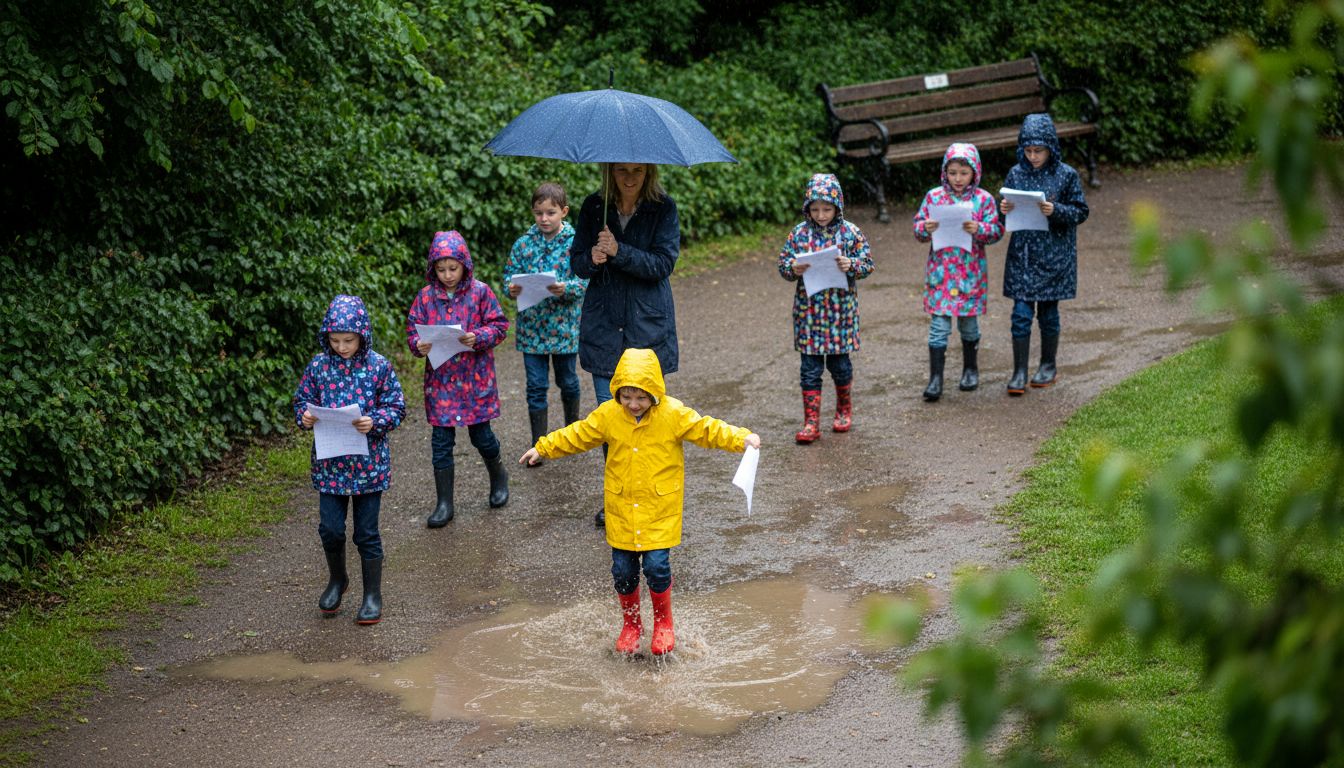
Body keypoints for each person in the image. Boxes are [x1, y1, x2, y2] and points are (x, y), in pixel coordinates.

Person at [519, 348, 761, 657]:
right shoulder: (609, 414)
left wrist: (741, 438)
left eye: (641, 398)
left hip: (659, 509)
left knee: (657, 566)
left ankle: (663, 622)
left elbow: (706, 429)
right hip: (621, 508)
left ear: (655, 394)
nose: (634, 404)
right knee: (622, 570)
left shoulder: (673, 414)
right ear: (618, 392)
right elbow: (578, 433)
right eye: (627, 397)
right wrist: (544, 447)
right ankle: (632, 624)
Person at [569, 162, 680, 526]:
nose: (629, 177)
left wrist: (619, 251)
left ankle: (647, 493)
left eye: (637, 170)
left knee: (645, 415)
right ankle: (618, 497)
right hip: (604, 324)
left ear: (649, 172)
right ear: (609, 171)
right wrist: (592, 258)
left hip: (647, 326)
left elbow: (663, 264)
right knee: (611, 416)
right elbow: (577, 263)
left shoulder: (663, 207)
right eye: (620, 171)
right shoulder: (593, 206)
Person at [292, 294, 406, 625]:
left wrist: (376, 421)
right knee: (330, 529)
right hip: (329, 465)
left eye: (349, 340)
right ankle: (338, 579)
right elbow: (302, 400)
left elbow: (397, 407)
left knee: (366, 532)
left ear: (363, 336)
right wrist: (305, 417)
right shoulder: (317, 366)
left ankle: (372, 594)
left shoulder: (379, 366)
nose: (342, 346)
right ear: (326, 336)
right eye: (335, 339)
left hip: (369, 466)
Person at [406, 230, 510, 528]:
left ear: (464, 264)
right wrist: (418, 345)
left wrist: (476, 337)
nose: (447, 275)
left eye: (453, 268)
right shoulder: (425, 297)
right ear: (432, 269)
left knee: (482, 436)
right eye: (440, 269)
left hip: (476, 380)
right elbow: (413, 329)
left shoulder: (480, 292)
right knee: (441, 441)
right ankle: (444, 503)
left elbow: (500, 326)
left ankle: (498, 474)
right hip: (441, 382)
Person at [777, 173, 874, 443]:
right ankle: (811, 422)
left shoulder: (850, 233)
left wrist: (851, 265)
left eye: (827, 209)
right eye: (815, 209)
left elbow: (867, 264)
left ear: (838, 207)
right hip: (808, 314)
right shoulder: (798, 234)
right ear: (807, 208)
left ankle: (844, 408)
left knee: (840, 365)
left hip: (840, 313)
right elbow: (783, 265)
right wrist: (792, 268)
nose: (821, 215)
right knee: (809, 369)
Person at [999, 113, 1090, 395]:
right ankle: (1019, 372)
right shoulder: (1016, 172)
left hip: (1054, 255)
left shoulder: (1067, 175)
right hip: (1023, 255)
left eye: (1038, 150)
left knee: (1048, 313)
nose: (1033, 156)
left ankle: (1048, 365)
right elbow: (1005, 213)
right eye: (1028, 150)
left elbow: (1080, 211)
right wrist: (1003, 210)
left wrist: (1056, 210)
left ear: (1051, 147)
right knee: (1021, 314)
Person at [503, 182, 586, 465]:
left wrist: (568, 288)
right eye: (538, 213)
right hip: (532, 330)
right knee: (536, 387)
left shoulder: (576, 242)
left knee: (568, 382)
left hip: (565, 329)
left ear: (563, 211)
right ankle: (538, 445)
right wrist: (511, 288)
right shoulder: (523, 244)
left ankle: (572, 433)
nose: (544, 219)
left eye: (550, 212)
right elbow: (508, 276)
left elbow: (585, 280)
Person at [912, 143, 1004, 401]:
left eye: (964, 173)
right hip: (940, 272)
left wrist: (979, 229)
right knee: (938, 326)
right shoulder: (934, 197)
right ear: (945, 171)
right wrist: (925, 228)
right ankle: (936, 379)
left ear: (975, 172)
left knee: (968, 324)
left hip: (970, 273)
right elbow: (917, 228)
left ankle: (970, 369)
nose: (958, 179)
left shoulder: (983, 199)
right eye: (952, 172)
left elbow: (996, 231)